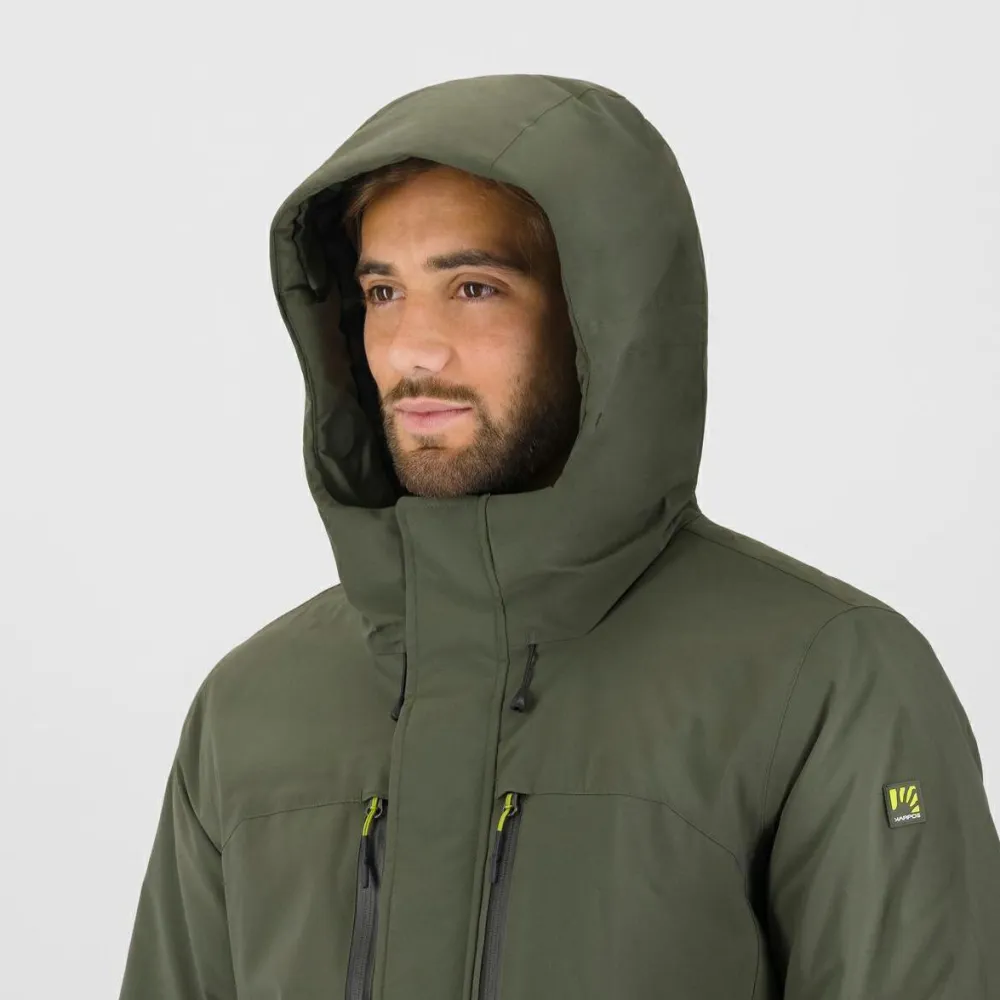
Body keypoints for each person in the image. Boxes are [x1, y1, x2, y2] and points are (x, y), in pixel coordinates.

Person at [118, 73, 1000, 1000]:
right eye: (382, 291)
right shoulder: (251, 709)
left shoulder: (824, 680)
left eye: (473, 287)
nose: (413, 348)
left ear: (601, 321)